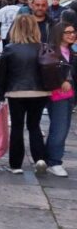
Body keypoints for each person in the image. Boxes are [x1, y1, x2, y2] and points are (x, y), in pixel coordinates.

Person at [0, 15, 50, 174]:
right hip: (40, 91)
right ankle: (40, 158)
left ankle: (16, 165)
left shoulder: (10, 49)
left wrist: (0, 94)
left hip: (16, 91)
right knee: (34, 125)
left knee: (17, 127)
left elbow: (2, 75)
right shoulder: (43, 47)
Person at [45, 22, 75, 177]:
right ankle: (54, 161)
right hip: (57, 94)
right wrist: (61, 80)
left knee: (61, 127)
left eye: (73, 32)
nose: (72, 35)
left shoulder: (72, 51)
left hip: (70, 95)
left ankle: (50, 157)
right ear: (59, 34)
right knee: (60, 127)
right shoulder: (52, 51)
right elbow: (47, 70)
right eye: (67, 32)